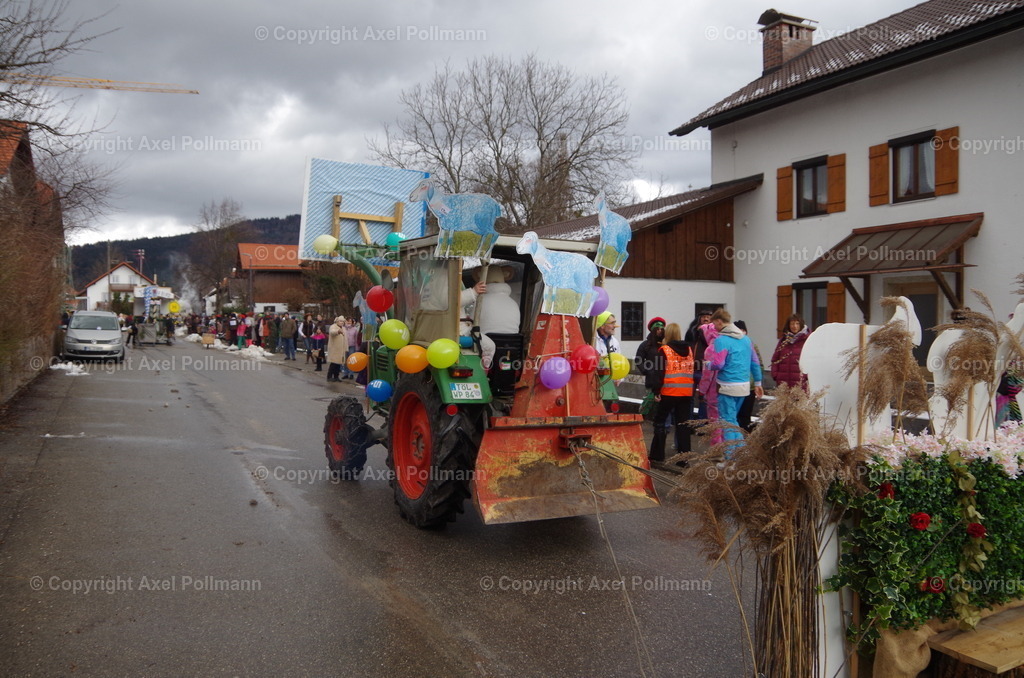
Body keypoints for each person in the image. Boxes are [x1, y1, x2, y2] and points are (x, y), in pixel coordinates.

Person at [707, 309, 763, 457]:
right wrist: (758, 383)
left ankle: (731, 459)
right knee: (733, 421)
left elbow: (718, 364)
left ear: (719, 321)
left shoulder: (721, 340)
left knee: (727, 422)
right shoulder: (746, 339)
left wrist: (707, 364)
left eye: (714, 324)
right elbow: (755, 362)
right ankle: (742, 453)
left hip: (726, 386)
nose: (714, 327)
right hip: (744, 386)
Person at [647, 323, 694, 466]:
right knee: (683, 425)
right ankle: (684, 459)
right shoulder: (689, 350)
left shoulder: (665, 350)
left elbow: (658, 374)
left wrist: (656, 391)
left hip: (669, 392)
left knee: (660, 422)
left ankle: (657, 455)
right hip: (686, 393)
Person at [734, 320, 764, 432]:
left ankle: (745, 436)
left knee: (746, 414)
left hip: (750, 385)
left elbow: (759, 364)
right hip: (736, 384)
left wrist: (757, 381)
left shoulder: (751, 345)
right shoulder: (731, 345)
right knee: (736, 414)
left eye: (743, 330)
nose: (741, 333)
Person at [770, 313, 810, 389]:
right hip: (783, 384)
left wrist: (806, 377)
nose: (794, 326)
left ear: (801, 324)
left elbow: (812, 361)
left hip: (800, 385)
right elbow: (775, 360)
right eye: (792, 324)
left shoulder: (807, 340)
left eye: (797, 323)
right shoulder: (783, 341)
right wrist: (776, 375)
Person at [326, 315, 349, 382]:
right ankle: (329, 376)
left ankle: (336, 376)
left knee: (338, 364)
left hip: (341, 350)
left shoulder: (344, 328)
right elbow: (332, 332)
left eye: (343, 321)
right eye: (340, 321)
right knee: (333, 363)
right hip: (334, 349)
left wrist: (346, 348)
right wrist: (338, 331)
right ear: (337, 321)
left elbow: (345, 339)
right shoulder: (333, 326)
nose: (341, 322)